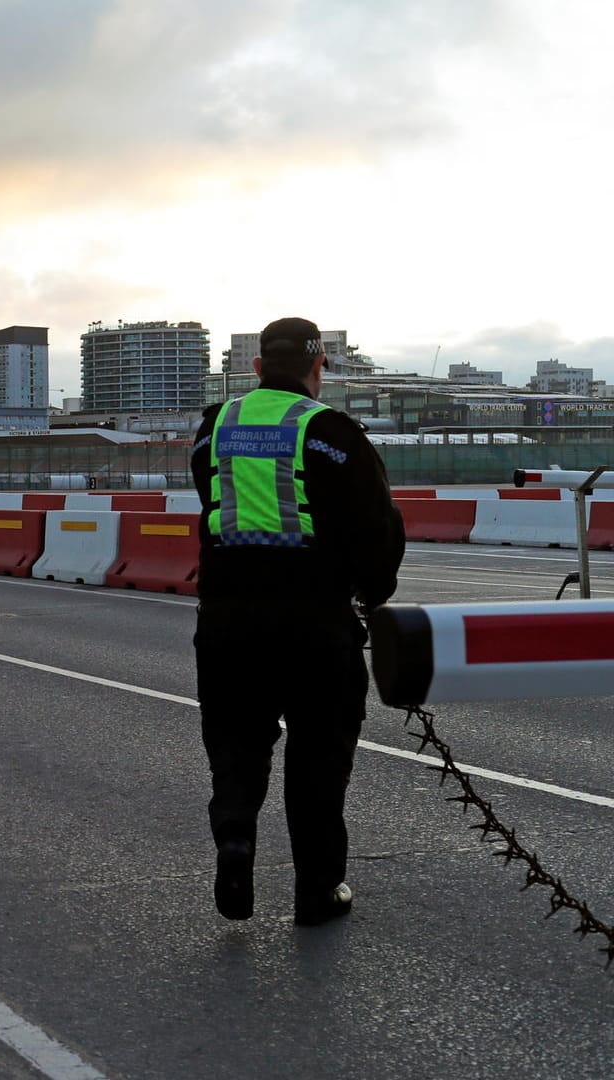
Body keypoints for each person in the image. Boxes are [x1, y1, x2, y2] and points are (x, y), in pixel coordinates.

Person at [191, 317, 404, 925]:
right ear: (320, 369)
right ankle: (317, 889)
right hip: (316, 625)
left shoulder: (215, 429)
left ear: (257, 368)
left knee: (236, 745)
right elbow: (376, 528)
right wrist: (375, 591)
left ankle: (235, 838)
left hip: (228, 621)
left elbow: (214, 504)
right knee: (318, 755)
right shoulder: (332, 433)